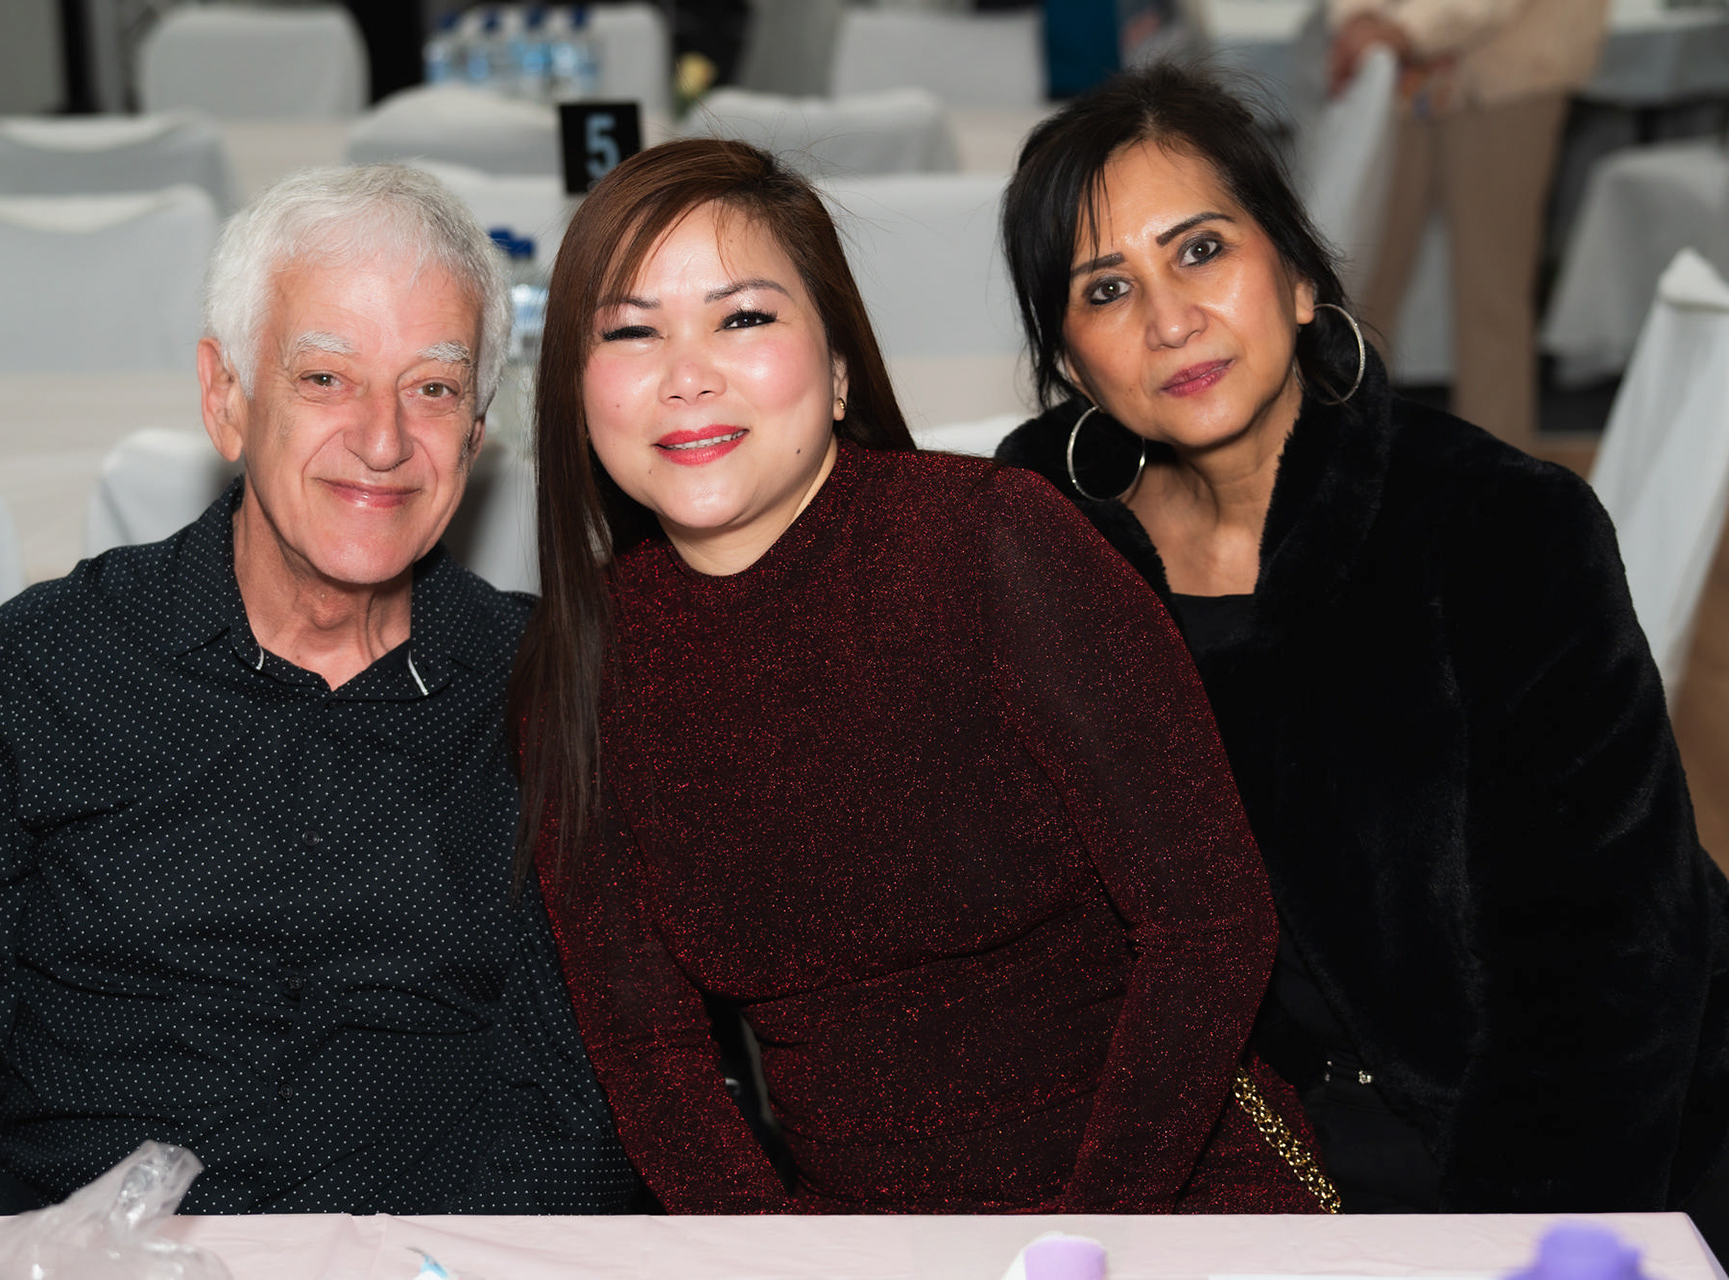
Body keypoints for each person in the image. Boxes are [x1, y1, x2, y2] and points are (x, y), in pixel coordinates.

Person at [510, 136, 1334, 1214]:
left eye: (742, 317)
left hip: (1169, 1198)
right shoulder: (584, 660)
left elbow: (1209, 923)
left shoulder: (993, 545)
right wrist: (770, 1251)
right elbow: (644, 1043)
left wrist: (1083, 1244)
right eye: (630, 332)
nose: (687, 374)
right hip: (852, 1240)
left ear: (840, 368)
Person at [0, 165, 636, 1216]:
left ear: (475, 437)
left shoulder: (550, 694)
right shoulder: (46, 669)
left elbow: (590, 1102)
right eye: (325, 377)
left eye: (432, 388)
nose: (383, 441)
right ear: (227, 398)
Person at [995, 63, 1729, 1221]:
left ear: (1296, 275)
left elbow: (1611, 975)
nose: (1170, 319)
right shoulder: (1047, 559)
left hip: (1559, 1157)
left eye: (1201, 250)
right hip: (1262, 1166)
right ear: (1072, 362)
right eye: (1106, 288)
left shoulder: (1498, 529)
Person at [1326, 0, 1610, 448]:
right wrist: (1358, 16)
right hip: (1396, 69)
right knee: (1355, 284)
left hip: (1507, 68)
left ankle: (1498, 480)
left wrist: (1401, 30)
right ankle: (1341, 463)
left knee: (1491, 302)